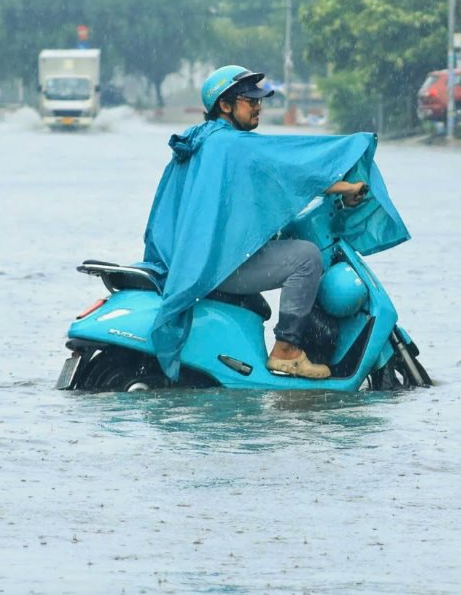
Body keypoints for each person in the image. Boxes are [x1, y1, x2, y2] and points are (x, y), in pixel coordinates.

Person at [142, 65, 377, 381]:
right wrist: (347, 181)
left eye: (259, 101)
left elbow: (264, 187)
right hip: (219, 266)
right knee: (306, 257)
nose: (258, 107)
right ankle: (287, 351)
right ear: (225, 106)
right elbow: (291, 168)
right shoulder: (232, 145)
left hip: (192, 261)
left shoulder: (201, 142)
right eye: (249, 101)